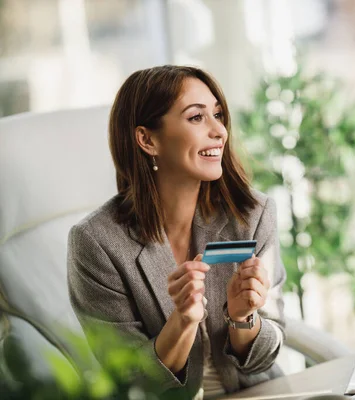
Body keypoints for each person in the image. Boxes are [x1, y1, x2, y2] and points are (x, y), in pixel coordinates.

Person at [67, 65, 286, 399]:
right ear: (147, 139)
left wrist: (243, 318)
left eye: (218, 115)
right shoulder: (97, 243)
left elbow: (265, 356)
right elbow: (130, 380)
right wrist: (183, 320)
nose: (220, 132)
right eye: (197, 118)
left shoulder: (252, 213)